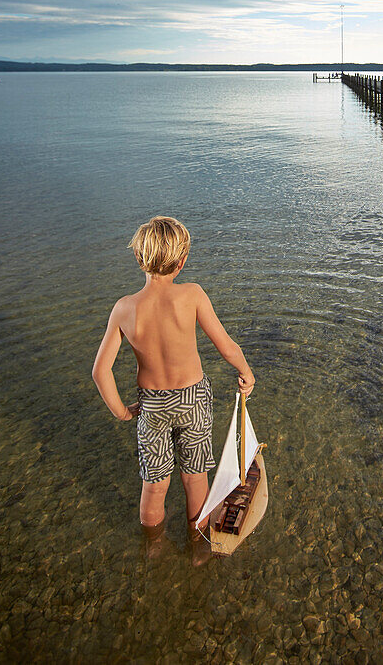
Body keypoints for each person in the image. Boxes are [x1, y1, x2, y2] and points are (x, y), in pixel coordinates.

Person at [91, 215, 255, 551]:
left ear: (139, 259)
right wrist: (246, 372)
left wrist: (122, 412)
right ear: (182, 262)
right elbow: (226, 346)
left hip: (151, 405)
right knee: (195, 479)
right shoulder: (192, 295)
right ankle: (198, 547)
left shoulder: (124, 308)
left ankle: (153, 549)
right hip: (193, 400)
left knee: (154, 485)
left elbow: (100, 372)